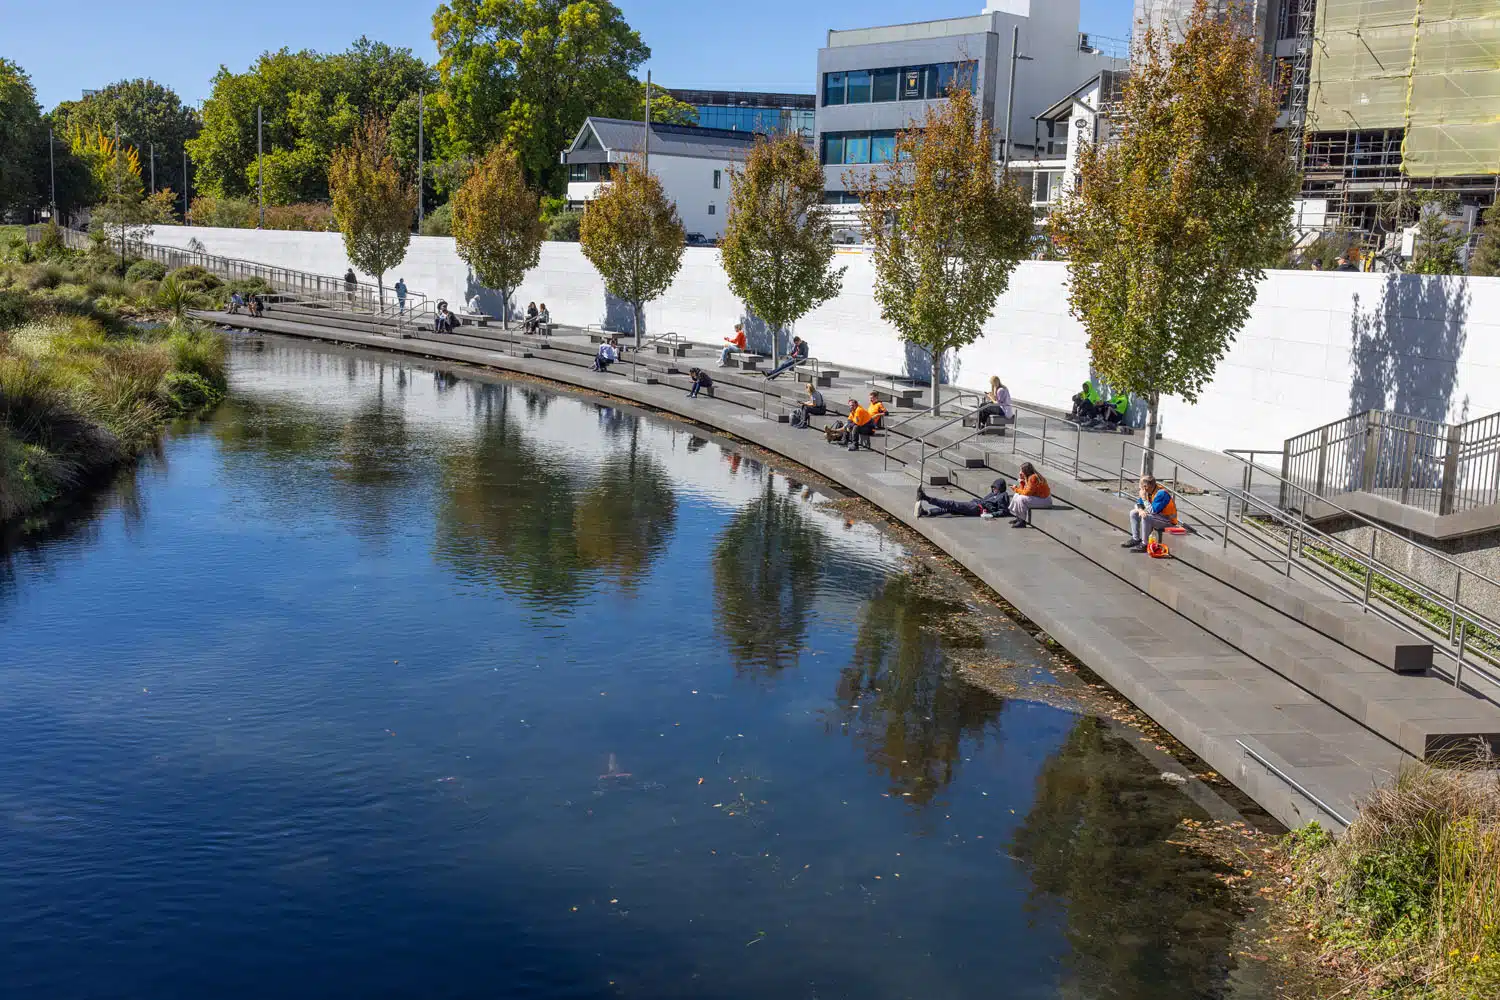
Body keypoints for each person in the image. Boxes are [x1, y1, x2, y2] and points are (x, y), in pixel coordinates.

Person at [1124, 476, 1178, 552]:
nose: (1141, 488)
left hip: (1168, 521)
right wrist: (1140, 510)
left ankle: (1145, 544)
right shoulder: (1149, 491)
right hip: (1158, 517)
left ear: (1146, 486)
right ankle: (1135, 539)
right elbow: (1138, 504)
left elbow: (1152, 511)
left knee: (1146, 517)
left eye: (1142, 486)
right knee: (1133, 512)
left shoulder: (1161, 493)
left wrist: (1143, 498)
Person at [915, 478, 1010, 519]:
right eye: (993, 487)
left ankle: (925, 497)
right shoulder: (993, 493)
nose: (993, 489)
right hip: (976, 505)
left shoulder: (1003, 495)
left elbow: (1004, 511)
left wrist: (991, 514)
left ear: (1001, 487)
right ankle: (926, 512)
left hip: (977, 509)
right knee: (950, 509)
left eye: (995, 487)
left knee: (952, 504)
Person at [1008, 462, 1052, 528]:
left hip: (1045, 501)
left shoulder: (1033, 478)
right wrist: (1022, 482)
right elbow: (1024, 491)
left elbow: (1027, 493)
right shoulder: (1029, 477)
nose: (1020, 472)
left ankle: (1022, 521)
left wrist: (1015, 489)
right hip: (1038, 498)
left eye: (1021, 470)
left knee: (1021, 498)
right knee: (1017, 495)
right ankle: (1018, 518)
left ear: (1026, 471)